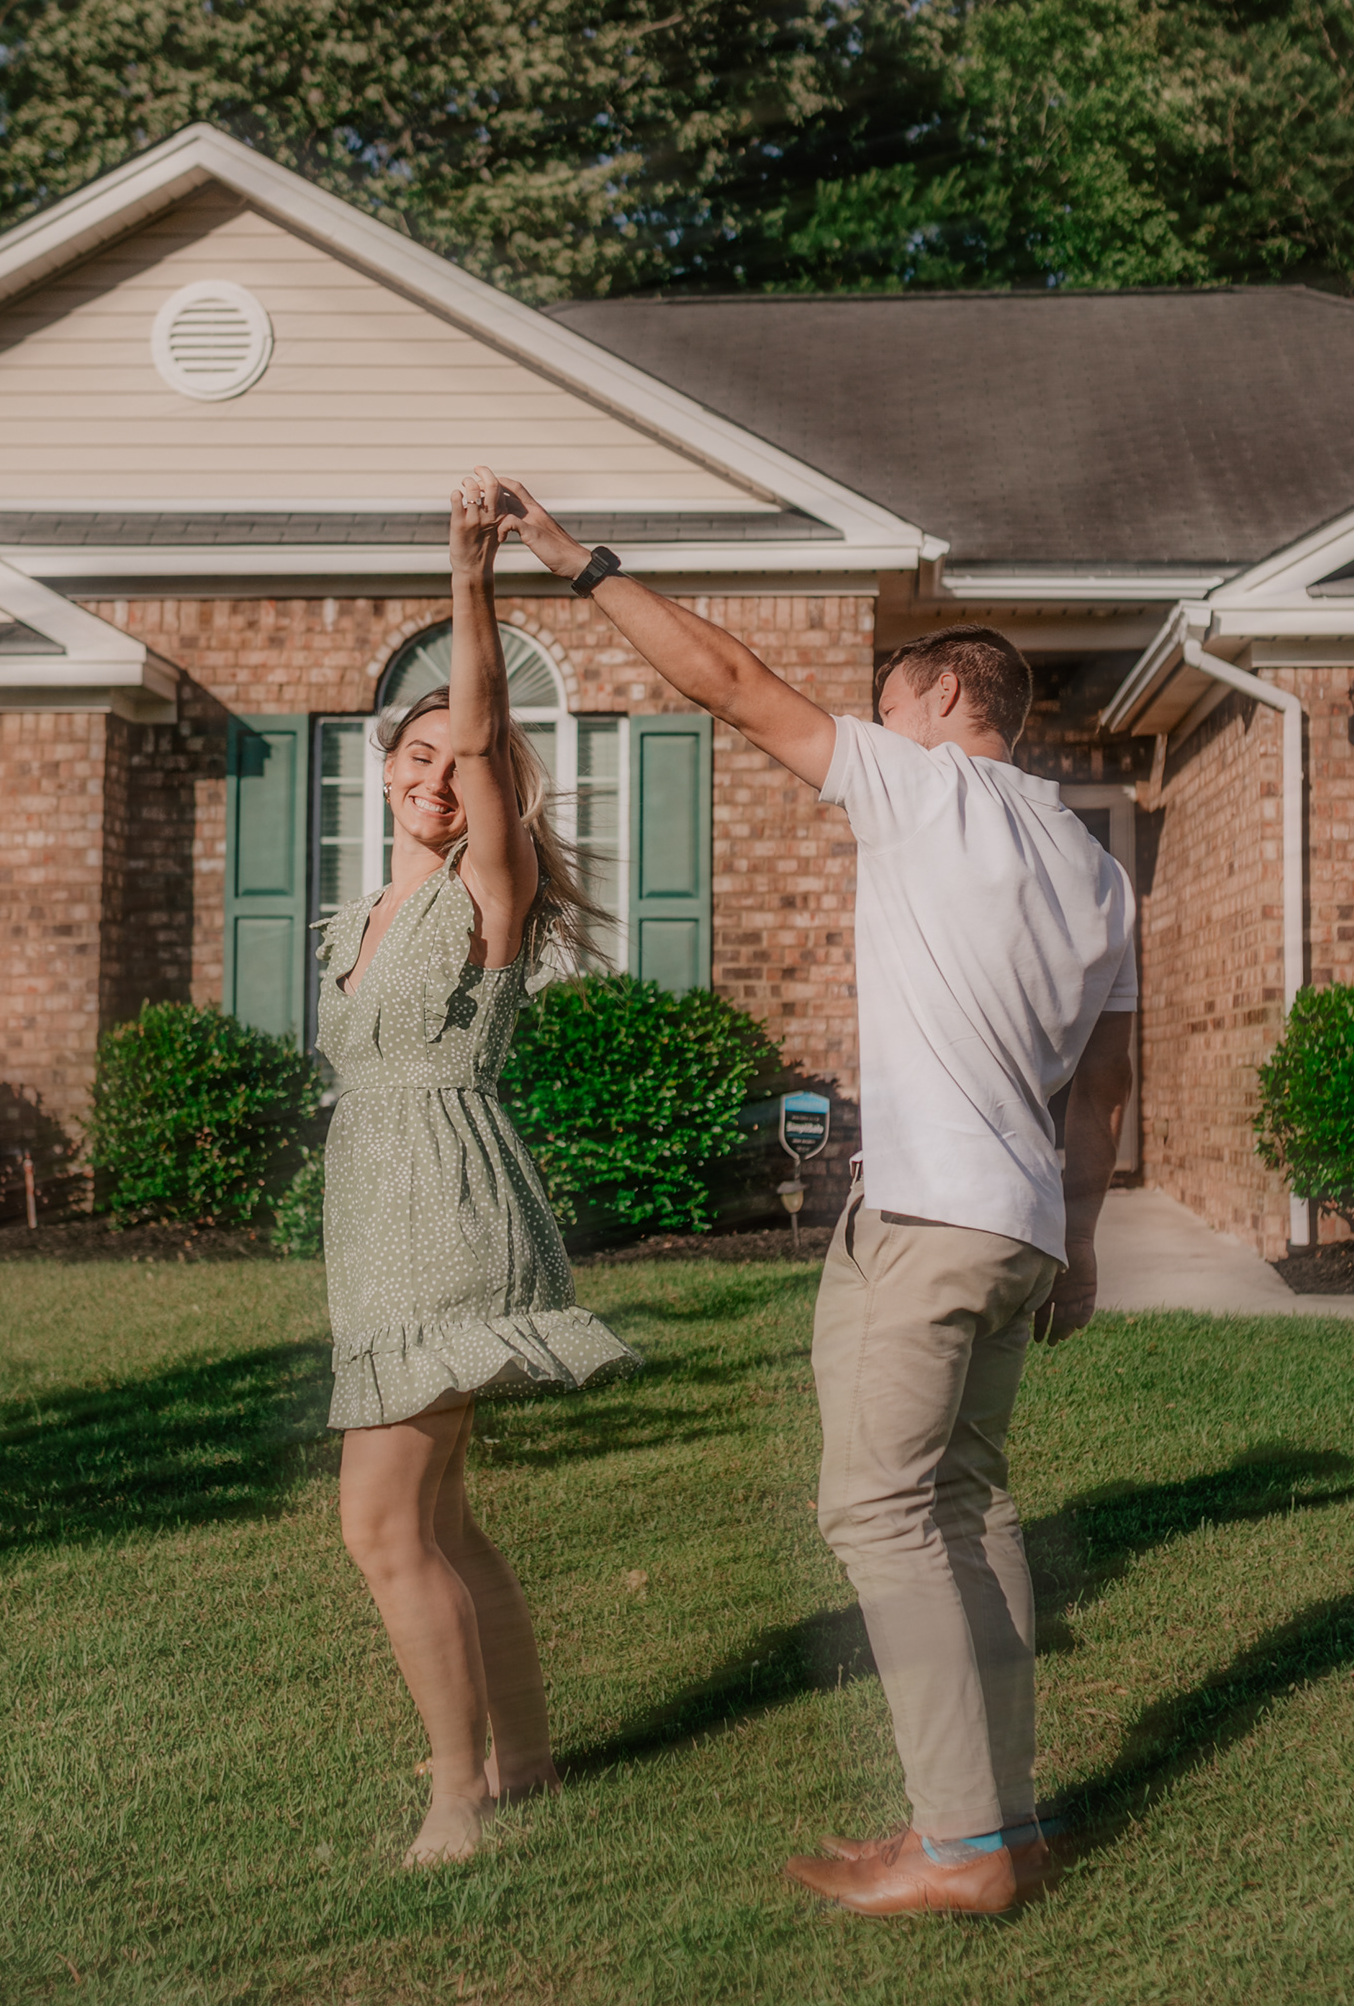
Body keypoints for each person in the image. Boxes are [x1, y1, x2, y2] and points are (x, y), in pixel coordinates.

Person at [495, 469, 1137, 1919]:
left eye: (885, 699)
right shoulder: (1098, 872)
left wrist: (574, 559)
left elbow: (729, 683)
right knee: (967, 1503)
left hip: (930, 1219)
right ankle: (1003, 1823)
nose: (871, 720)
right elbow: (1104, 1091)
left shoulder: (923, 787)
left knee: (879, 1514)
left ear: (939, 699)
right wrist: (1083, 1242)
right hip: (1018, 1226)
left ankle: (961, 1849)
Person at [316, 475, 636, 1869]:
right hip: (375, 1217)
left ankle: (461, 1798)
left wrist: (469, 577)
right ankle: (527, 1762)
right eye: (417, 754)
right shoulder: (363, 913)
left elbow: (491, 733)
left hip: (444, 1214)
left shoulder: (484, 890)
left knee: (381, 1523)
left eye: (463, 760)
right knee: (440, 1517)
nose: (438, 778)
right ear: (385, 762)